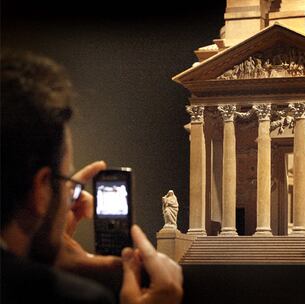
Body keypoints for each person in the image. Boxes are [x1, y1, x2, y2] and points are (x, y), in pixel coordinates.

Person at [0, 50, 183, 304]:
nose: (72, 198)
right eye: (69, 184)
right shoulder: (81, 298)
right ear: (41, 189)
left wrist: (40, 251)